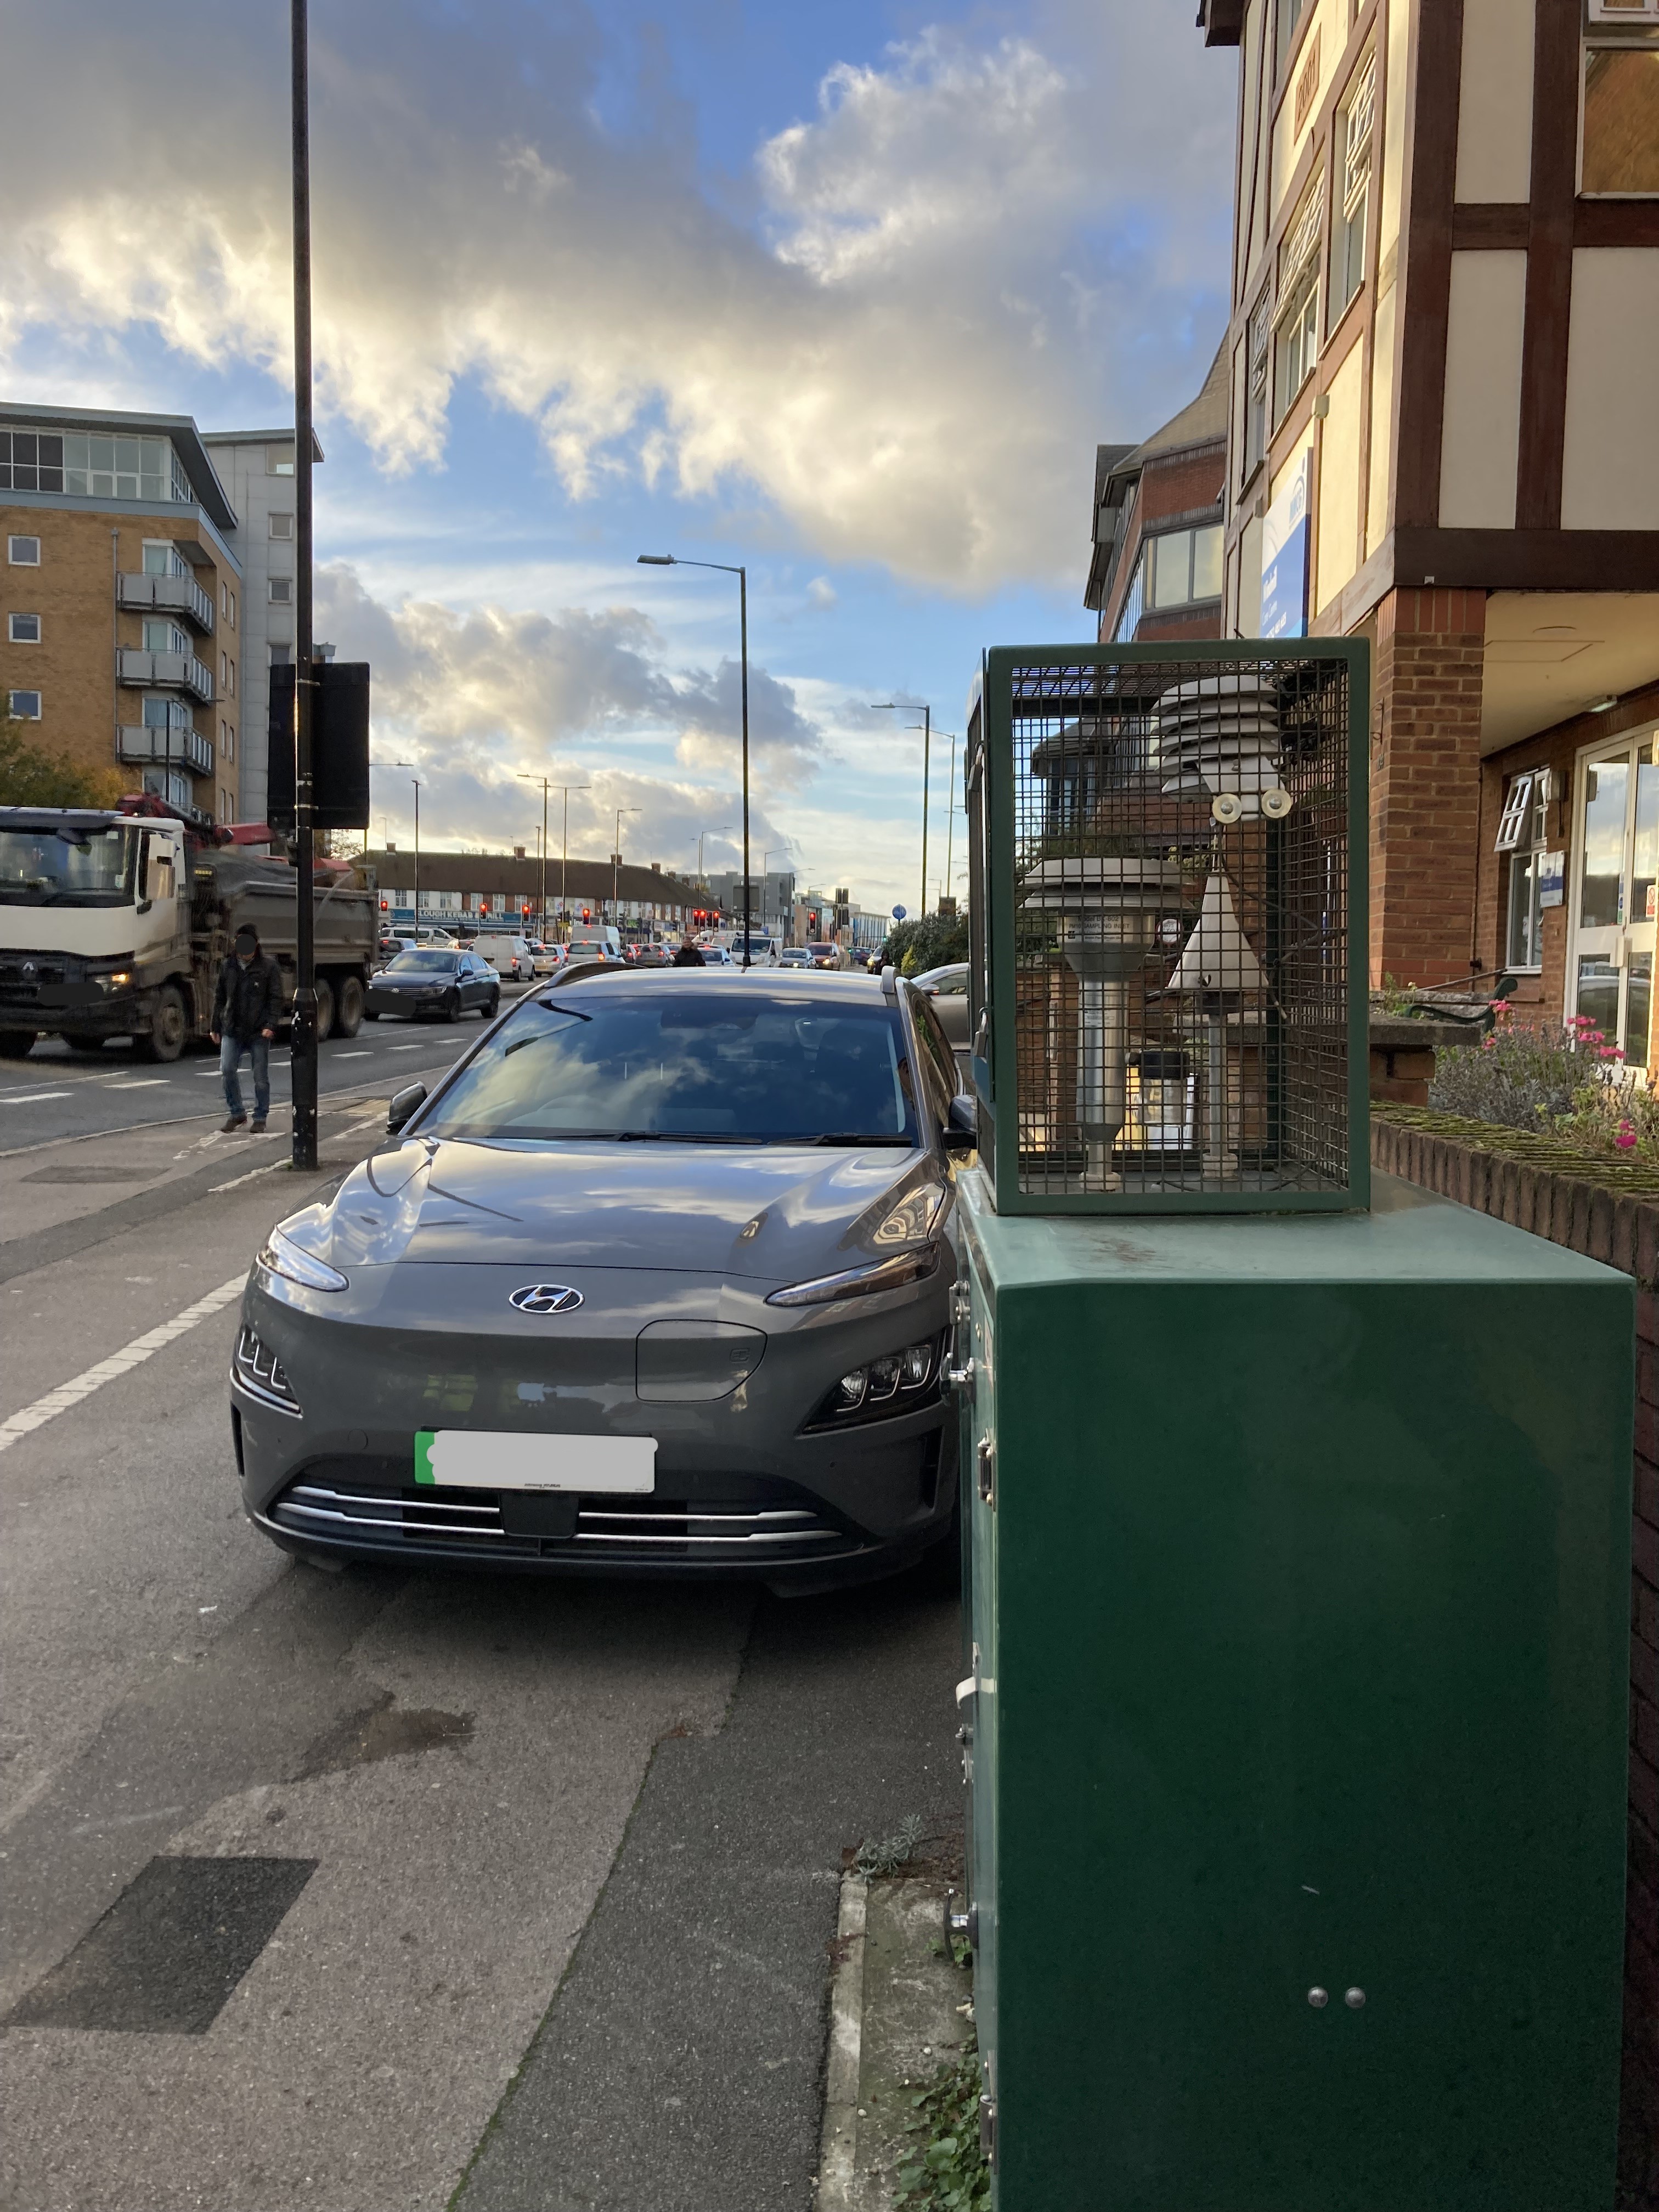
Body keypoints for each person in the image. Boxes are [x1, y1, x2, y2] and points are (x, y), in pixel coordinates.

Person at [211, 925, 281, 1133]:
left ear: (256, 944)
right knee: (227, 1070)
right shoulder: (228, 966)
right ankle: (237, 1113)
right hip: (233, 1029)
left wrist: (270, 1025)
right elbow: (220, 997)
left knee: (260, 1077)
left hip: (258, 1031)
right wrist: (216, 1025)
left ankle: (260, 1117)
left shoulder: (268, 967)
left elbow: (275, 998)